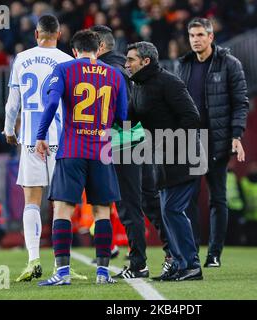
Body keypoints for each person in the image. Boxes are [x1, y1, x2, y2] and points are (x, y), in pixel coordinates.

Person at [36, 29, 127, 286]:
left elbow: (52, 103)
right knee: (102, 212)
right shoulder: (115, 75)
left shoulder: (65, 69)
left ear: (74, 51)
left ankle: (62, 274)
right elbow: (122, 117)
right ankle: (102, 273)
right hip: (101, 151)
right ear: (99, 49)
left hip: (72, 149)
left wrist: (41, 135)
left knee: (63, 210)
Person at [3, 14, 79, 282]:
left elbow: (13, 103)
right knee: (62, 203)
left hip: (31, 140)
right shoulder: (68, 61)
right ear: (59, 35)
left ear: (36, 34)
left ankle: (33, 259)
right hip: (61, 139)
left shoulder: (22, 59)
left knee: (31, 201)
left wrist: (8, 130)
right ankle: (63, 266)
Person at [91, 24, 170, 279]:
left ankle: (138, 264)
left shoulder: (106, 70)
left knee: (129, 206)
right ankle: (175, 254)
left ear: (100, 46)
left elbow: (122, 111)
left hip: (122, 143)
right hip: (140, 139)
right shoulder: (126, 65)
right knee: (150, 201)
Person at [126, 41, 203, 281]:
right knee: (168, 211)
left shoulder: (168, 82)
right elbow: (129, 120)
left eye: (131, 60)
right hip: (163, 161)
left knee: (171, 209)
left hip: (183, 157)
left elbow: (192, 117)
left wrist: (168, 144)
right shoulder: (138, 85)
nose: (126, 64)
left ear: (145, 61)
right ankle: (180, 264)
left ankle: (191, 265)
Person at [177, 17, 249, 267]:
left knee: (217, 198)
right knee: (189, 199)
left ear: (211, 37)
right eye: (192, 36)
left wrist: (236, 135)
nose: (195, 40)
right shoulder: (183, 65)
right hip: (191, 142)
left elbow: (241, 102)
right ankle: (193, 251)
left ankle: (215, 254)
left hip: (217, 142)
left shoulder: (230, 64)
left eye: (199, 35)